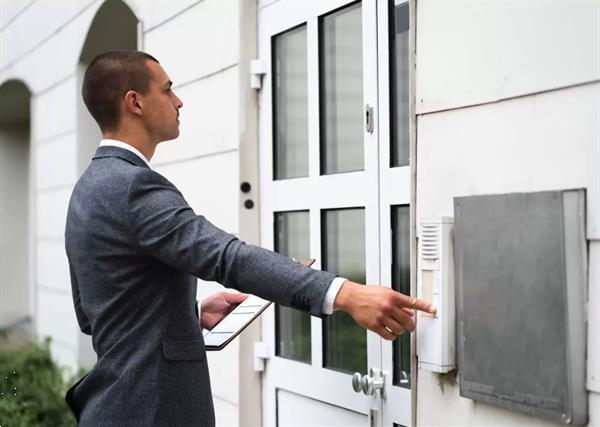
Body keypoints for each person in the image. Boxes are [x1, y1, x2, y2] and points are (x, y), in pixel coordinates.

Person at [64, 50, 435, 426]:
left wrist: (188, 315)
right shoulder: (133, 186)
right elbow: (226, 257)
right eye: (167, 89)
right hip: (149, 413)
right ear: (135, 102)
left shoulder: (87, 189)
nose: (178, 101)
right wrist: (345, 293)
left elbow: (93, 314)